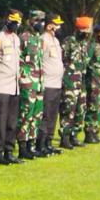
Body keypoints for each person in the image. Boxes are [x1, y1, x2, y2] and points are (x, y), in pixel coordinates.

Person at [0, 10, 23, 165]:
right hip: (1, 85)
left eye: (17, 21)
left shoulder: (16, 39)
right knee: (0, 121)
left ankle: (9, 150)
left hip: (14, 86)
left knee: (11, 121)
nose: (14, 24)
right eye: (12, 20)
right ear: (5, 20)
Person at [59, 16, 92, 149]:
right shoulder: (69, 42)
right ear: (78, 29)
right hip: (70, 82)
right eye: (84, 29)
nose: (86, 32)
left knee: (81, 109)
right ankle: (65, 137)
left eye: (87, 29)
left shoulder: (84, 43)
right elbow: (61, 60)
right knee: (68, 109)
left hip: (81, 81)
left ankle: (74, 135)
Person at [16, 11, 46, 160]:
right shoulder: (24, 38)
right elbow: (18, 60)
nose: (40, 23)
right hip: (28, 82)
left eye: (42, 20)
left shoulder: (38, 39)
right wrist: (23, 78)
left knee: (36, 115)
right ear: (29, 21)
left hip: (39, 82)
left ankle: (31, 145)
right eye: (37, 20)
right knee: (25, 114)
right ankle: (22, 146)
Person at [37, 13, 65, 155]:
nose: (59, 27)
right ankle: (40, 143)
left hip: (56, 84)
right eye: (56, 24)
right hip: (47, 83)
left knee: (53, 114)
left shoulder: (55, 40)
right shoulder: (43, 40)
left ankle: (49, 142)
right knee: (46, 114)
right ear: (49, 25)